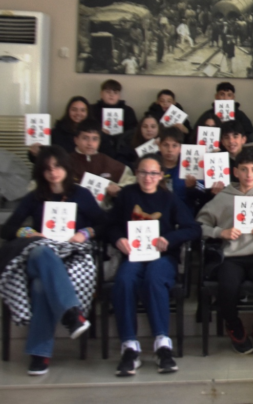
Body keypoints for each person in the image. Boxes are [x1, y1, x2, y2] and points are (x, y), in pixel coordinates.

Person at [0, 146, 103, 376]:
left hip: (71, 256)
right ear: (41, 172)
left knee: (40, 286)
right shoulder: (35, 197)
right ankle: (72, 314)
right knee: (42, 251)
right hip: (39, 255)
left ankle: (40, 354)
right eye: (47, 169)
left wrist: (85, 233)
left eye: (57, 167)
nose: (53, 172)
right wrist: (30, 233)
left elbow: (103, 223)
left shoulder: (81, 194)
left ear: (66, 167)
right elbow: (7, 229)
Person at [107, 155, 200, 376]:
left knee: (154, 278)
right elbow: (109, 225)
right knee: (124, 280)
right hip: (133, 256)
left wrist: (170, 239)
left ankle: (162, 345)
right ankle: (129, 346)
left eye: (153, 173)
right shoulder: (127, 195)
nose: (148, 177)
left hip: (162, 256)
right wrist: (118, 239)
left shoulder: (169, 198)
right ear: (136, 174)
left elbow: (193, 228)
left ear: (160, 176)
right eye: (143, 172)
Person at [196, 148, 253, 357]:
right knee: (227, 287)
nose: (248, 174)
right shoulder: (222, 198)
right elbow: (200, 225)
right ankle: (234, 325)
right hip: (230, 256)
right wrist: (220, 232)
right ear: (235, 172)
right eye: (244, 169)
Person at [68, 120, 134, 202]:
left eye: (95, 139)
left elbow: (131, 181)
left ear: (100, 141)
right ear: (76, 140)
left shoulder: (106, 161)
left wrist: (118, 188)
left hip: (104, 208)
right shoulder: (66, 161)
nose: (90, 143)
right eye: (85, 138)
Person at [155, 127, 205, 211]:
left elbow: (204, 193)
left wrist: (192, 187)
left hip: (184, 212)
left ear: (181, 148)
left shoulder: (191, 166)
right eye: (166, 145)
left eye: (174, 146)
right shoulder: (152, 165)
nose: (170, 150)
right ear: (159, 146)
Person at [90, 79, 140, 158]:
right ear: (101, 94)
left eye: (115, 93)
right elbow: (87, 127)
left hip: (122, 147)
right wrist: (99, 129)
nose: (111, 95)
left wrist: (121, 135)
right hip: (98, 146)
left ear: (119, 96)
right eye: (108, 92)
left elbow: (133, 130)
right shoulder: (92, 109)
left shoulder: (128, 110)